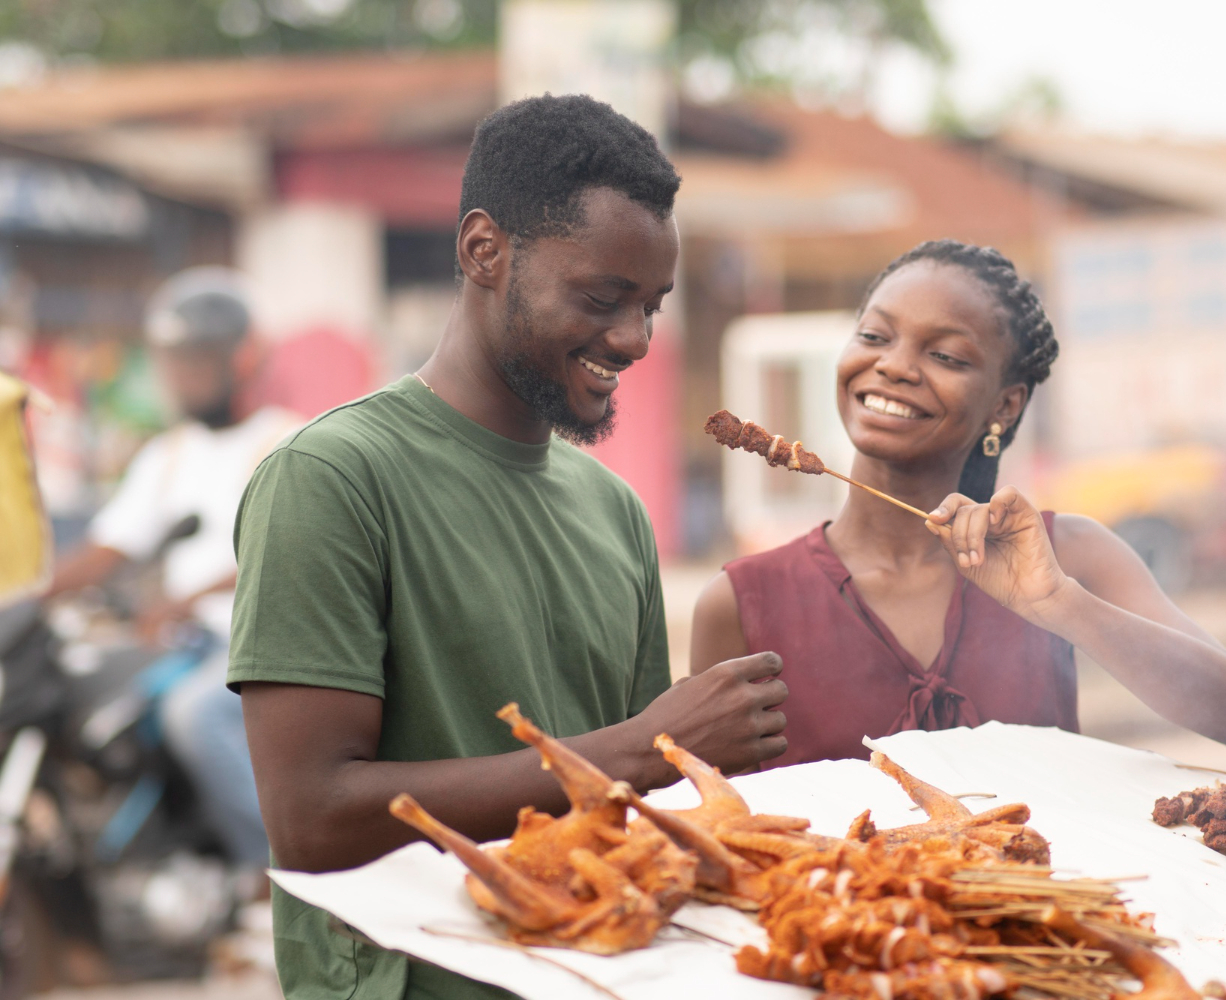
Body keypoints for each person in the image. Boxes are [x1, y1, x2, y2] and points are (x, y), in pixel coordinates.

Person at [230, 95, 788, 1000]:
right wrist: (644, 748)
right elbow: (310, 820)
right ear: (484, 250)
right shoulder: (331, 477)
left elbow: (629, 810)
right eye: (603, 299)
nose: (634, 340)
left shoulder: (614, 511)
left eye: (651, 306)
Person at [691, 239, 1226, 768]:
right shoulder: (742, 603)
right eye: (874, 336)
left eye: (945, 355)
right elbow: (720, 818)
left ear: (1005, 405)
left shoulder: (1068, 553)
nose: (893, 365)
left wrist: (1059, 604)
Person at [44, 267, 302, 871]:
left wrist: (189, 597)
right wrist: (28, 591)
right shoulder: (169, 453)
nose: (180, 376)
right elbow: (110, 546)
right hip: (188, 642)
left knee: (194, 713)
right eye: (173, 361)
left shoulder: (290, 441)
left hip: (262, 641)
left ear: (241, 359)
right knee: (95, 701)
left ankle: (277, 870)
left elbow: (290, 551)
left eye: (196, 360)